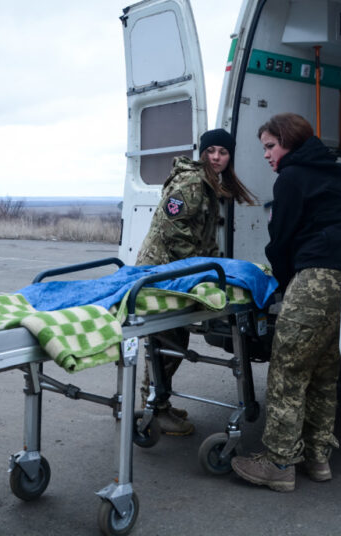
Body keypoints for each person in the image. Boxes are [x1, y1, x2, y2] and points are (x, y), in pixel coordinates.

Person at [231, 113, 341, 492]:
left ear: (289, 142)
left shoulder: (292, 178)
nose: (266, 155)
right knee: (323, 373)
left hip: (314, 278)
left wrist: (277, 283)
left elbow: (280, 238)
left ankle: (279, 462)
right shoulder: (336, 174)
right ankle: (318, 457)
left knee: (288, 370)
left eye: (270, 146)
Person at [136, 128, 256, 435]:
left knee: (170, 341)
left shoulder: (207, 183)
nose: (216, 158)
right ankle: (155, 408)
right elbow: (171, 229)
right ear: (202, 152)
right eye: (211, 151)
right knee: (169, 341)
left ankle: (156, 401)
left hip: (174, 271)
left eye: (223, 152)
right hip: (163, 271)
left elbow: (202, 235)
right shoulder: (191, 182)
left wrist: (211, 266)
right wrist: (200, 269)